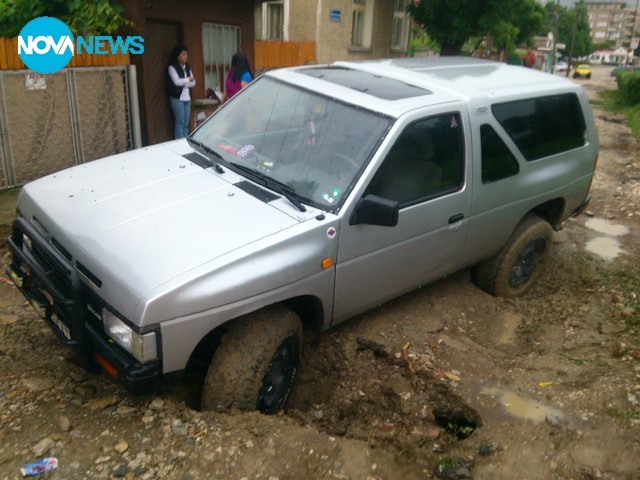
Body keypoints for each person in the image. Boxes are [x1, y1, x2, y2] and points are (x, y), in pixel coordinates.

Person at [167, 45, 196, 139]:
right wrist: (188, 80)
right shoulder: (172, 68)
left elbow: (193, 82)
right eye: (183, 54)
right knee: (179, 122)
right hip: (177, 98)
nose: (186, 56)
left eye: (186, 54)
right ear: (177, 56)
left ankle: (185, 141)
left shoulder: (187, 67)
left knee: (186, 123)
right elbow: (176, 82)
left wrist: (184, 83)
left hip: (187, 98)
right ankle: (179, 143)